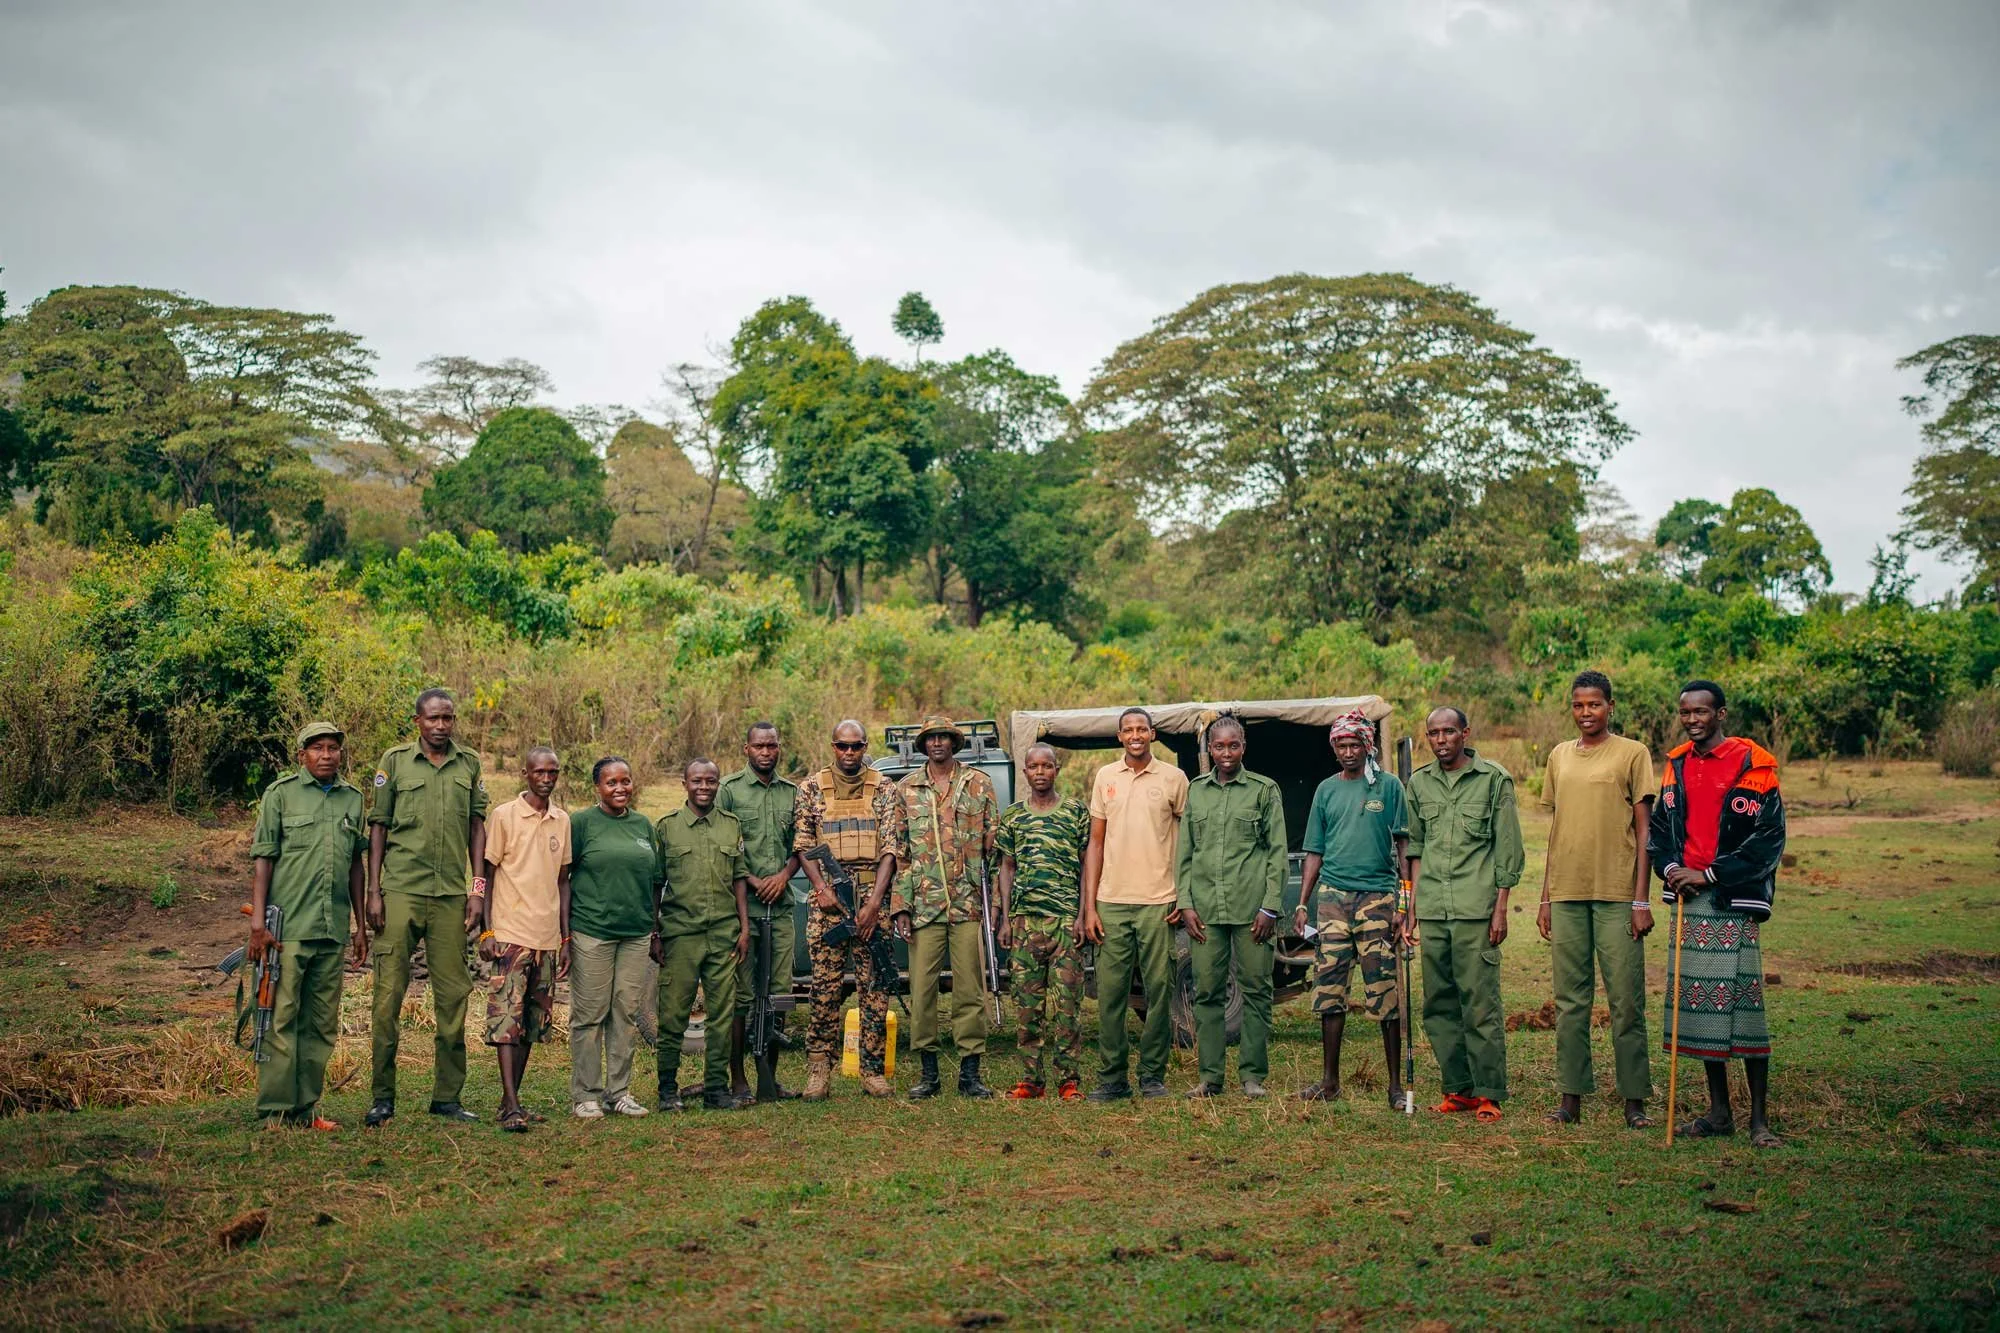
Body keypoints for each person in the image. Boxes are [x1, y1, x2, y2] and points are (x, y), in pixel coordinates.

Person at [1650, 680, 1787, 1149]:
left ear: (1721, 713)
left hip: (1731, 898)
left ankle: (1760, 1121)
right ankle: (1719, 1111)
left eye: (1701, 711)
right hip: (1688, 899)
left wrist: (1709, 873)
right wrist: (1671, 870)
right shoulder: (1676, 764)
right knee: (1702, 1011)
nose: (1692, 719)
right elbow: (1660, 831)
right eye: (1685, 711)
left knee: (1745, 1012)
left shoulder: (1755, 765)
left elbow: (1768, 840)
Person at [1536, 669, 1659, 1129]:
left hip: (1617, 893)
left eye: (1595, 704)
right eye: (1578, 705)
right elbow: (1557, 828)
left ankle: (1634, 1100)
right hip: (1567, 893)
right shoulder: (1559, 756)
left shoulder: (1632, 754)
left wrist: (1641, 900)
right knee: (1570, 1001)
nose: (1586, 713)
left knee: (1626, 1000)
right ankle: (1571, 1098)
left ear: (1610, 706)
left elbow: (1645, 828)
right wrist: (1546, 897)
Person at [365, 688, 489, 1128]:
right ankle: (382, 1097)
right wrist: (374, 890)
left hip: (450, 897)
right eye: (433, 718)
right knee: (387, 998)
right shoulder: (395, 761)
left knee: (454, 996)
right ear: (417, 721)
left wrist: (477, 889)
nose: (441, 726)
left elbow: (478, 828)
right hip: (400, 891)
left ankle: (447, 1097)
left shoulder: (469, 763)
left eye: (448, 718)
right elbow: (377, 827)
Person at [246, 722, 370, 1130]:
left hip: (331, 929)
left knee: (320, 1022)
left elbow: (356, 864)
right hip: (287, 931)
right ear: (302, 755)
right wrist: (259, 925)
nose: (326, 755)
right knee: (281, 1018)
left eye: (333, 748)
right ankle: (275, 1110)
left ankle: (306, 1109)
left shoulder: (353, 799)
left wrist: (359, 925)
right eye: (317, 748)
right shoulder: (280, 795)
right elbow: (264, 858)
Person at [1405, 707, 1524, 1122]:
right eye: (1434, 733)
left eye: (1449, 732)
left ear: (1465, 733)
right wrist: (1413, 908)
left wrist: (1501, 908)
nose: (1441, 740)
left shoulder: (1493, 779)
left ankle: (1489, 1091)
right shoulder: (1419, 783)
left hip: (1477, 908)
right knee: (1438, 1004)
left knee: (1480, 1003)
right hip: (1434, 908)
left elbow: (1507, 848)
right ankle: (1458, 1089)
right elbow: (1415, 848)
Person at [1292, 709, 1412, 1108]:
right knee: (1329, 989)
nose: (1347, 751)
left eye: (1354, 744)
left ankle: (1395, 1086)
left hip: (1377, 897)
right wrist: (1304, 903)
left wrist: (1404, 905)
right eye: (1341, 745)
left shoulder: (1389, 787)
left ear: (1367, 746)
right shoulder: (1326, 790)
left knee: (1383, 989)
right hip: (1332, 898)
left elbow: (1404, 848)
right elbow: (1314, 850)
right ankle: (1329, 1082)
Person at [792, 719, 906, 1101]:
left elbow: (891, 847)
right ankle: (818, 1071)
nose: (849, 753)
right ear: (833, 746)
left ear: (865, 746)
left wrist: (875, 903)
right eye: (842, 746)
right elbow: (804, 843)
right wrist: (822, 888)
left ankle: (872, 1071)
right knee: (824, 989)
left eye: (856, 746)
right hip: (829, 901)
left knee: (874, 987)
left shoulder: (884, 788)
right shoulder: (811, 787)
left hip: (873, 895)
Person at [1079, 707, 1189, 1102]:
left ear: (1153, 734)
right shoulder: (1106, 777)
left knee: (1160, 991)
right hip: (1111, 901)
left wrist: (1183, 893)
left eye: (1142, 728)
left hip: (1158, 901)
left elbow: (1187, 842)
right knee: (1110, 994)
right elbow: (1095, 843)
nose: (1136, 735)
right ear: (1120, 736)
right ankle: (1112, 1079)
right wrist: (1090, 906)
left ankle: (1152, 1076)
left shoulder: (1175, 779)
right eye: (1129, 729)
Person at [1175, 717, 1287, 1099]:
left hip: (1251, 910)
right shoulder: (1197, 791)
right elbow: (1185, 853)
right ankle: (1210, 1078)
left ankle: (1252, 1077)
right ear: (1209, 748)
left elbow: (1277, 853)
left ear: (1244, 746)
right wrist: (1185, 903)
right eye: (1219, 746)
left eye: (1233, 745)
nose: (1226, 753)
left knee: (1256, 991)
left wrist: (1271, 907)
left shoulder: (1263, 790)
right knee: (1206, 992)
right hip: (1205, 911)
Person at [895, 715, 1002, 1100]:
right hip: (924, 906)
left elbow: (995, 848)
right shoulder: (907, 789)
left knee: (970, 991)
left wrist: (997, 902)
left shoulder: (978, 784)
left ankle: (970, 1074)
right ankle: (929, 1073)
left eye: (944, 737)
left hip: (968, 902)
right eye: (930, 738)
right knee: (922, 991)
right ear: (923, 745)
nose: (937, 743)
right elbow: (901, 853)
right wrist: (901, 905)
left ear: (953, 743)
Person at [474, 747, 571, 1132]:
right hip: (511, 933)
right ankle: (511, 1102)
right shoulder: (504, 816)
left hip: (547, 936)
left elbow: (564, 882)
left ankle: (509, 1102)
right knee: (505, 1021)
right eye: (539, 772)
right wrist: (487, 929)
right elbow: (487, 873)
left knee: (530, 1023)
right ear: (525, 774)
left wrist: (566, 937)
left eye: (553, 772)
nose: (546, 778)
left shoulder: (562, 821)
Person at [652, 758, 752, 1111]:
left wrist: (744, 927)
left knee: (722, 1016)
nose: (704, 787)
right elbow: (656, 884)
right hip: (681, 934)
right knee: (674, 1015)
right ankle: (667, 1090)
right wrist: (655, 933)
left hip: (724, 934)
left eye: (711, 781)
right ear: (685, 783)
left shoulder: (731, 826)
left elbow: (739, 878)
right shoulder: (666, 828)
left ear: (718, 783)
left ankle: (716, 1090)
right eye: (697, 781)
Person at [994, 744, 1091, 1100]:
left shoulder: (1076, 812)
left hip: (1066, 923)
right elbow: (1006, 867)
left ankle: (1069, 1080)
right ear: (1024, 773)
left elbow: (1087, 865)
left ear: (1057, 769)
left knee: (1068, 1005)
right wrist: (1006, 919)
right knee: (1027, 1006)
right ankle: (1031, 1080)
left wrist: (1083, 913)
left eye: (1046, 766)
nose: (1040, 772)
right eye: (1033, 767)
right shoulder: (1014, 816)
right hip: (1024, 924)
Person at [566, 756, 656, 1121]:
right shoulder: (582, 824)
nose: (620, 788)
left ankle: (618, 1092)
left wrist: (654, 926)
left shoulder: (643, 825)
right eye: (611, 783)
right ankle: (585, 1094)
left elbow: (655, 882)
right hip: (592, 932)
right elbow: (563, 879)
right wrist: (564, 932)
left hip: (635, 935)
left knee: (626, 1012)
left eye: (625, 781)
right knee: (589, 1013)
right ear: (597, 787)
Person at [716, 722, 803, 1102]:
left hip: (781, 908)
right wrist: (752, 880)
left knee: (780, 994)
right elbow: (721, 844)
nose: (766, 752)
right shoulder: (730, 791)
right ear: (746, 749)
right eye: (759, 746)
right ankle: (738, 1079)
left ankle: (771, 1076)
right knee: (743, 996)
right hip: (743, 910)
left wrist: (784, 876)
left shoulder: (793, 793)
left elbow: (801, 845)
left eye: (772, 745)